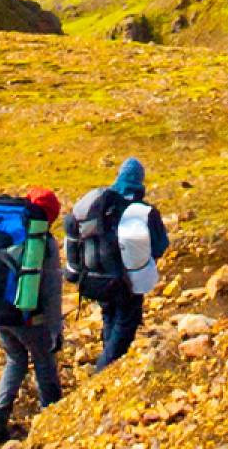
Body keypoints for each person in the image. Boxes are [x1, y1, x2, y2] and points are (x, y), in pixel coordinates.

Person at [66, 158, 170, 372]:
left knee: (109, 317)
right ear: (140, 181)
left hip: (95, 279)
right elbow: (160, 246)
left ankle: (107, 365)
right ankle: (103, 374)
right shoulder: (142, 210)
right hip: (126, 282)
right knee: (124, 325)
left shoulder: (100, 205)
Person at [0, 187, 63, 444]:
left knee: (15, 359)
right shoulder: (42, 242)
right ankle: (52, 420)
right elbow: (51, 290)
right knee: (44, 361)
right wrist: (55, 329)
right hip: (27, 317)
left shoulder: (4, 231)